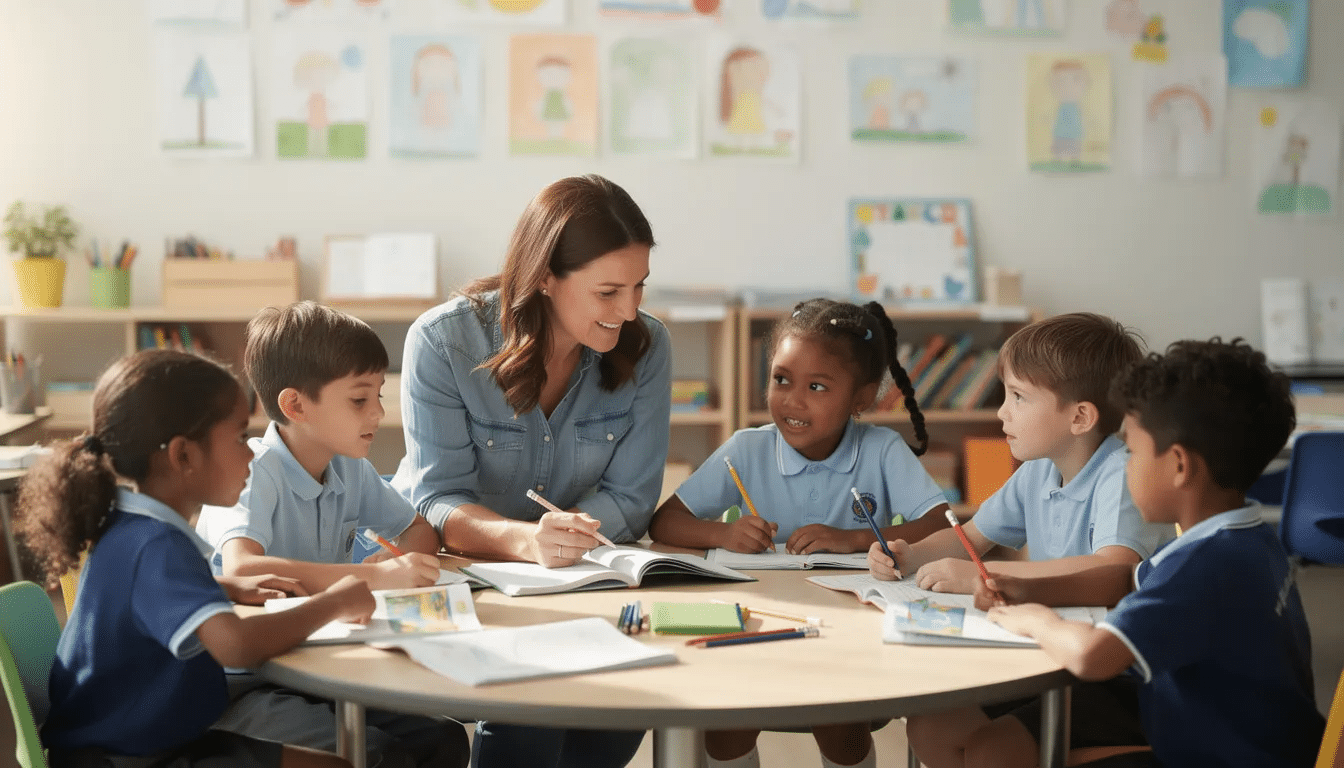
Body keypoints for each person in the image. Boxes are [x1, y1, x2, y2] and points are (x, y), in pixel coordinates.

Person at [392, 173, 668, 767]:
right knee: (529, 716)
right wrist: (527, 541)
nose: (629, 310)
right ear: (545, 276)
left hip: (583, 580)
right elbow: (436, 499)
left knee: (631, 701)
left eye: (640, 286)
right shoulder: (443, 342)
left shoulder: (649, 348)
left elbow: (632, 497)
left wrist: (569, 541)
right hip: (463, 578)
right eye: (607, 291)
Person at [20, 348, 376, 768]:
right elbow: (237, 647)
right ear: (183, 455)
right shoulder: (156, 544)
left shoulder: (129, 523)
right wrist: (334, 602)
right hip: (130, 758)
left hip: (136, 740)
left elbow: (140, 597)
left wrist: (222, 586)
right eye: (241, 437)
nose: (251, 453)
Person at [983, 338, 1326, 767]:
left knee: (1007, 750)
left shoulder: (1203, 568)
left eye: (1134, 452)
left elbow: (1093, 656)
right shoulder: (1247, 538)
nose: (1126, 467)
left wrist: (1039, 620)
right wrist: (1027, 587)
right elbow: (1131, 578)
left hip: (1229, 758)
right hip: (1276, 747)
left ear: (1179, 466)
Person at [649, 298, 953, 768]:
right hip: (754, 619)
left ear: (861, 397)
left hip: (850, 630)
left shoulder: (881, 451)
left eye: (816, 386)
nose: (792, 400)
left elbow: (940, 525)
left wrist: (853, 539)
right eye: (781, 379)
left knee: (841, 720)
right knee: (726, 723)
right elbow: (665, 521)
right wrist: (723, 534)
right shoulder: (747, 449)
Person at [867, 312, 1174, 768]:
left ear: (1080, 417)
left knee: (995, 747)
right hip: (1045, 651)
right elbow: (968, 537)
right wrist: (909, 554)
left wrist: (986, 574)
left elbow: (1115, 571)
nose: (1001, 411)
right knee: (930, 724)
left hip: (1118, 672)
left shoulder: (1123, 474)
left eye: (1017, 397)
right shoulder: (1037, 470)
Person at [198, 302, 468, 768]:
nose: (378, 413)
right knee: (376, 754)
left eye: (380, 395)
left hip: (323, 665)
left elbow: (418, 529)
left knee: (444, 740)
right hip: (246, 682)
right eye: (359, 400)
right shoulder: (253, 474)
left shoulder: (350, 468)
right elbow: (243, 567)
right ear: (295, 405)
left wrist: (391, 564)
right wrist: (369, 581)